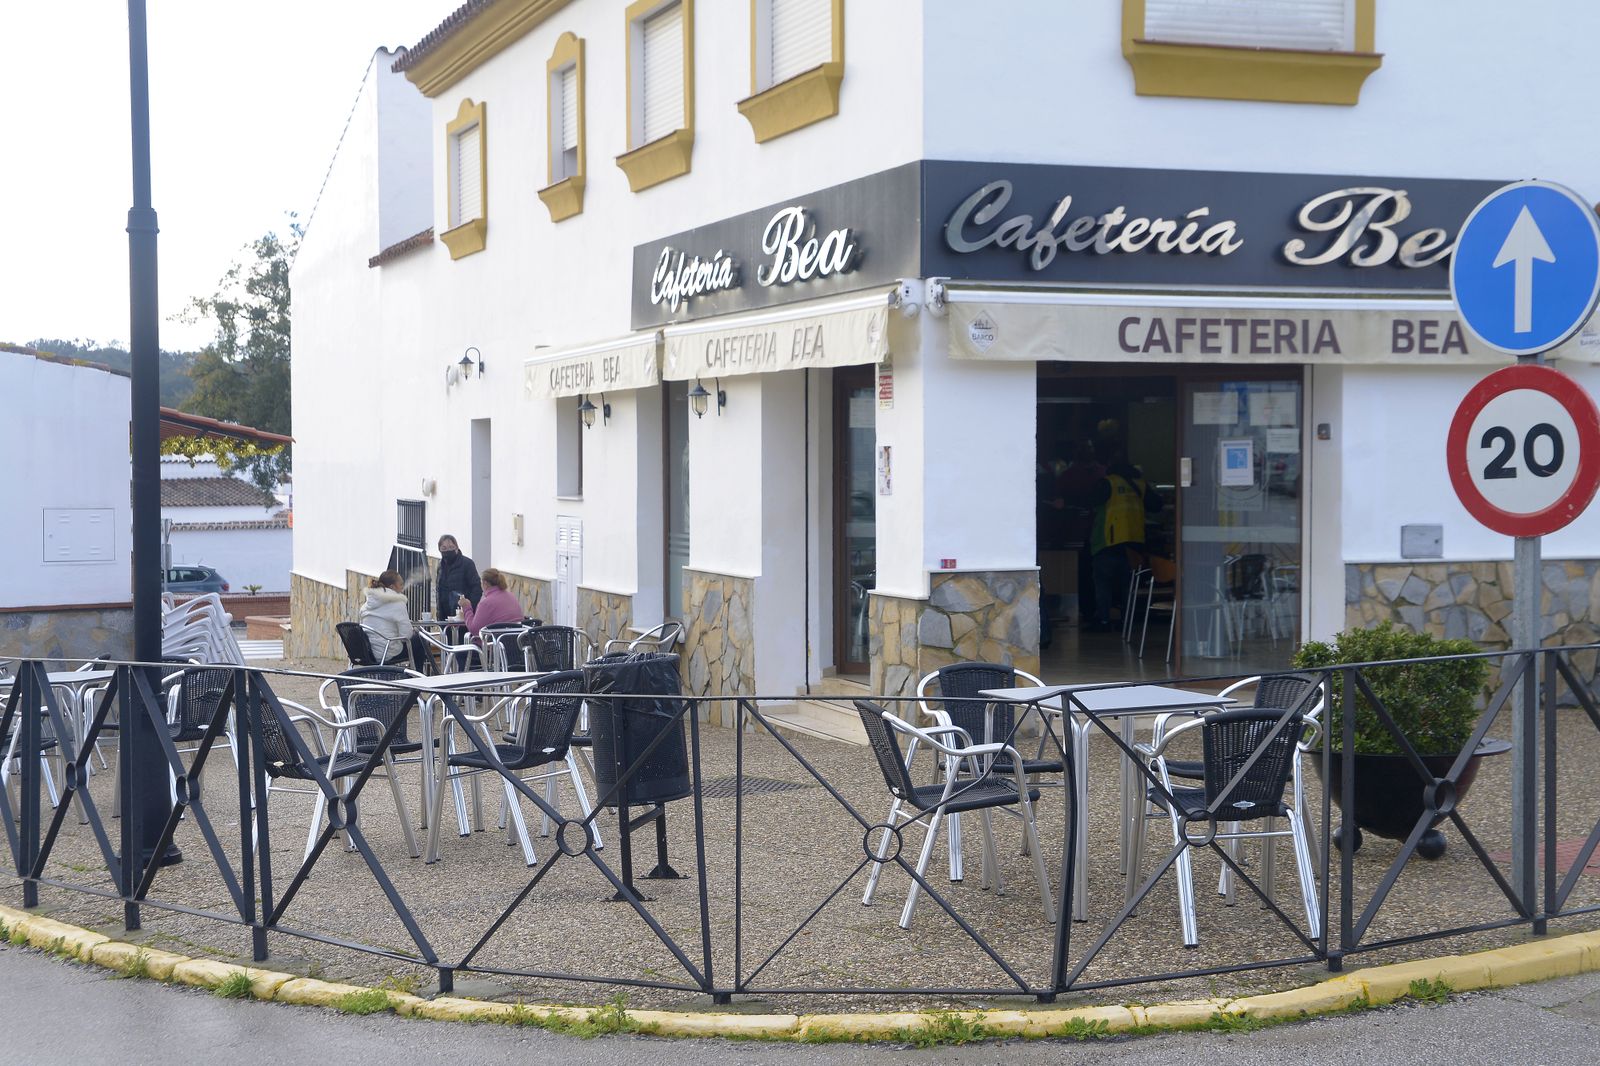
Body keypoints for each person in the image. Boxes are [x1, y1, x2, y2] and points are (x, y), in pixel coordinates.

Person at [1088, 451, 1163, 632]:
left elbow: (1089, 502)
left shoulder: (1107, 483)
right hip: (1134, 543)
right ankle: (1127, 620)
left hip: (1108, 542)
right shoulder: (1140, 485)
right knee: (1128, 586)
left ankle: (1104, 621)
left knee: (1103, 584)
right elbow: (1157, 506)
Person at [359, 570, 424, 666]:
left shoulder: (365, 606)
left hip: (369, 653)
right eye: (401, 585)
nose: (403, 588)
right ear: (392, 587)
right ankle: (419, 676)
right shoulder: (397, 603)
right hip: (387, 652)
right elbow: (406, 635)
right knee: (419, 640)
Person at [460, 567, 523, 642]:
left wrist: (467, 608)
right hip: (515, 643)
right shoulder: (511, 596)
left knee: (460, 652)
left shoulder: (486, 603)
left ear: (485, 584)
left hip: (494, 647)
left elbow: (474, 630)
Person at [435, 534, 482, 620]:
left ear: (456, 548)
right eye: (444, 548)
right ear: (440, 550)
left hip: (463, 615)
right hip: (445, 616)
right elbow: (439, 590)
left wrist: (469, 608)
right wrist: (439, 614)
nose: (448, 550)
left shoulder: (467, 564)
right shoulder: (440, 566)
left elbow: (476, 588)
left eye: (451, 547)